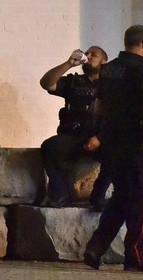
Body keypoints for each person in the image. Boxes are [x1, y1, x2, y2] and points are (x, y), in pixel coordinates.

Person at [83, 25, 143, 272]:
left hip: (113, 144)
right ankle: (136, 254)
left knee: (121, 198)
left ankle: (96, 247)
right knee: (142, 198)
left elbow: (99, 108)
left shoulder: (110, 69)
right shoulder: (142, 71)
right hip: (138, 144)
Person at [39, 46, 110, 208]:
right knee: (50, 146)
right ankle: (59, 194)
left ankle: (98, 197)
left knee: (118, 151)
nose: (88, 56)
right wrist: (69, 63)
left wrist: (100, 138)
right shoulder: (74, 81)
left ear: (104, 61)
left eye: (94, 54)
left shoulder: (111, 86)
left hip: (99, 138)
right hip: (73, 136)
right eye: (87, 53)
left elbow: (118, 118)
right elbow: (46, 83)